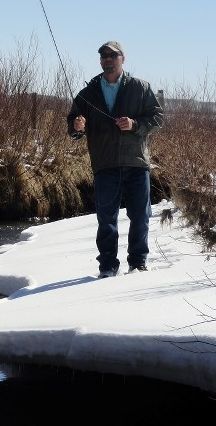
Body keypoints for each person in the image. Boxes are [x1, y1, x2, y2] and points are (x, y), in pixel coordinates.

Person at [67, 41, 164, 278]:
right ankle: (108, 266)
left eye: (113, 55)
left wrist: (135, 125)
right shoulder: (87, 93)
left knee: (140, 216)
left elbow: (157, 118)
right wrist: (77, 126)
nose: (108, 59)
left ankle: (138, 263)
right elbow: (73, 127)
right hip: (105, 164)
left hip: (136, 162)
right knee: (106, 219)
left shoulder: (140, 88)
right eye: (103, 56)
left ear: (123, 59)